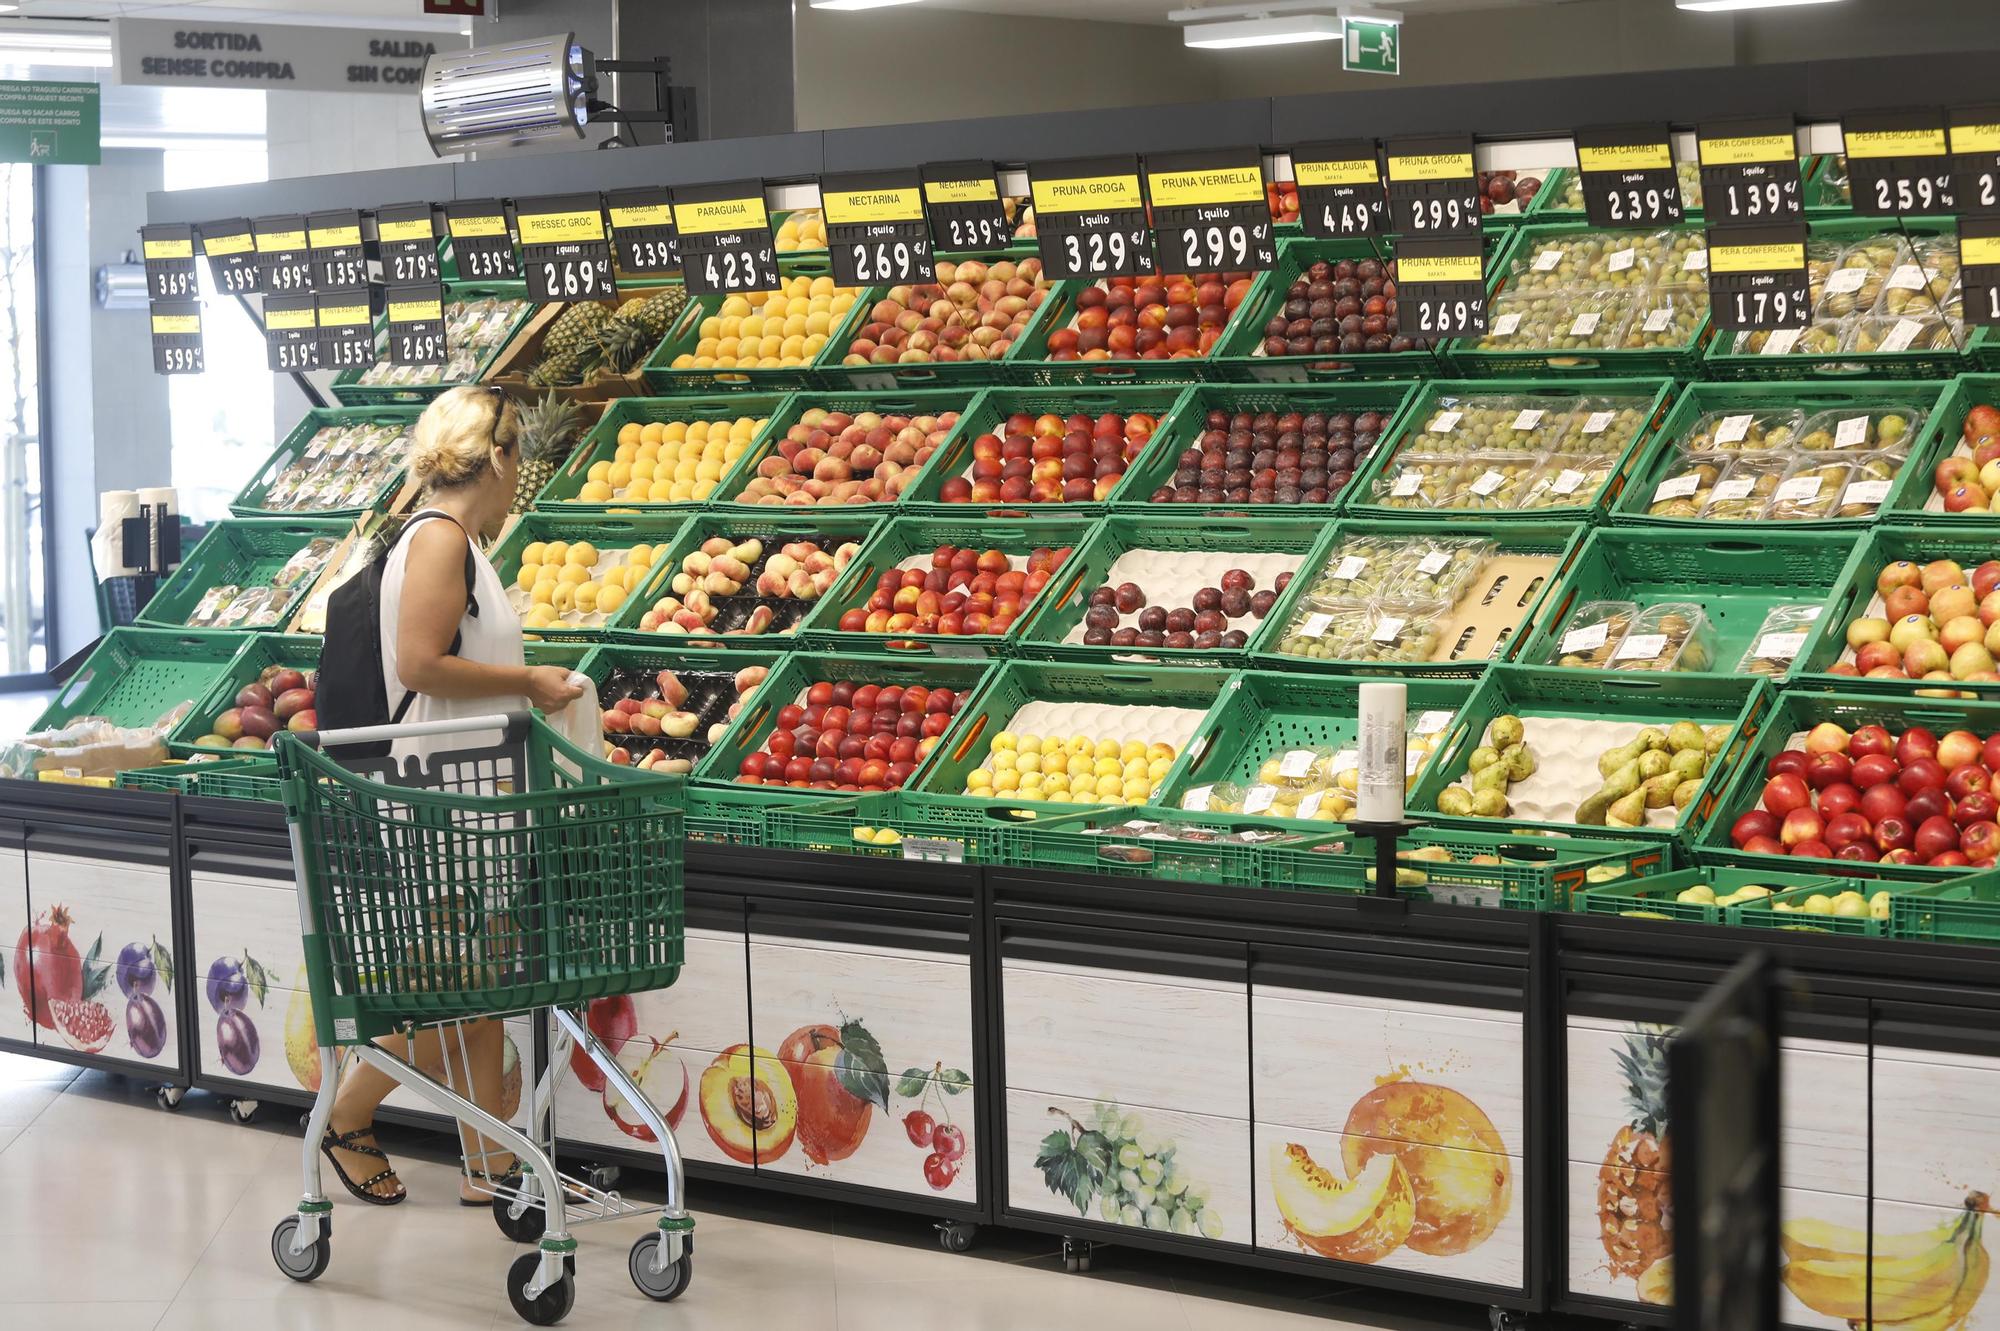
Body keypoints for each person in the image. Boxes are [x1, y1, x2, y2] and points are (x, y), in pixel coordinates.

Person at [319, 383, 584, 1205]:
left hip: (470, 798)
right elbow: (419, 663)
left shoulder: (455, 541)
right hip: (440, 805)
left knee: (476, 991)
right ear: (500, 456)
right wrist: (529, 681)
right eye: (519, 461)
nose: (518, 479)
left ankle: (491, 1164)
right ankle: (346, 1114)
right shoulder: (440, 539)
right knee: (452, 990)